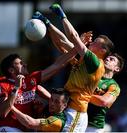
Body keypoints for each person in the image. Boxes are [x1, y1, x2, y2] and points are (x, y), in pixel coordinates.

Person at [32, 3, 115, 132]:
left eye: (96, 42)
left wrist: (62, 15)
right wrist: (47, 23)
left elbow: (74, 37)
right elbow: (62, 42)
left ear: (103, 50)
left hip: (76, 112)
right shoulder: (84, 59)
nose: (92, 42)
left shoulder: (95, 62)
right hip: (68, 108)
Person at [0, 51, 77, 132]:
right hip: (9, 127)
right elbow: (3, 113)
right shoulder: (2, 85)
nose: (25, 64)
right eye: (20, 63)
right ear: (11, 70)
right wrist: (16, 88)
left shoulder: (31, 79)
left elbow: (57, 65)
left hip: (28, 127)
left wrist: (77, 48)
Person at [86, 53, 124, 133]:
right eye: (107, 58)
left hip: (93, 126)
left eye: (111, 59)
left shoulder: (113, 86)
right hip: (77, 118)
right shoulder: (90, 75)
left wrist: (81, 94)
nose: (107, 59)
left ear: (117, 69)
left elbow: (104, 101)